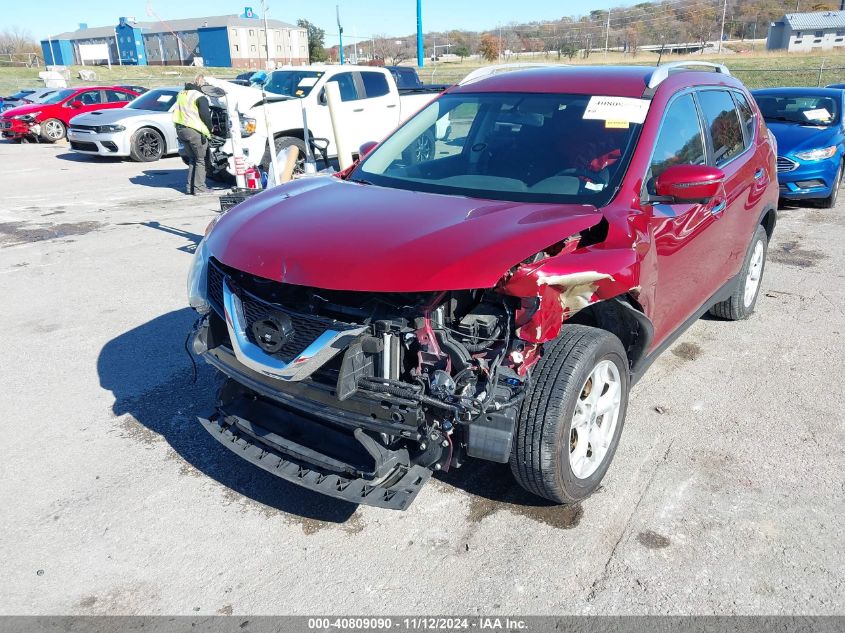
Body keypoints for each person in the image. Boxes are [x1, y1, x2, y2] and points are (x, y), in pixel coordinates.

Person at [172, 74, 214, 195]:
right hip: (194, 131)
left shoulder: (182, 94)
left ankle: (190, 187)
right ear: (203, 85)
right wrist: (210, 129)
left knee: (192, 159)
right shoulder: (200, 97)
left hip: (180, 130)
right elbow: (205, 116)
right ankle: (200, 188)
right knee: (201, 160)